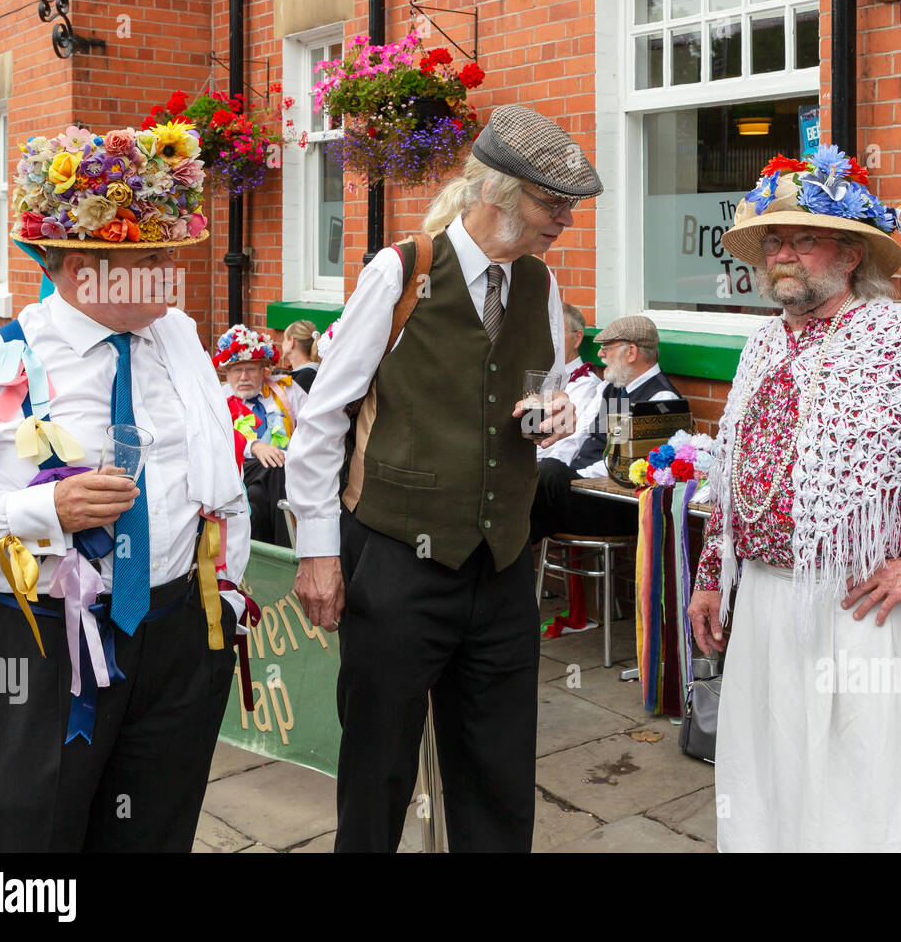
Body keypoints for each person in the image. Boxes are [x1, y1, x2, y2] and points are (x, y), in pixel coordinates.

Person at [686, 148, 901, 852]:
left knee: (863, 780)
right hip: (761, 600)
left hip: (855, 605)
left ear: (849, 255)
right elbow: (733, 477)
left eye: (803, 239)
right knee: (765, 768)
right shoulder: (761, 345)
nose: (783, 255)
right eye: (774, 241)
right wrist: (708, 577)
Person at [0, 122, 250, 852]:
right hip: (35, 644)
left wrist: (222, 605)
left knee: (155, 835)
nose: (175, 272)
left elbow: (220, 485)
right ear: (80, 265)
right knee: (27, 852)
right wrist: (40, 509)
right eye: (154, 258)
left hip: (176, 640)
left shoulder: (182, 341)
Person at [285, 104, 592, 853]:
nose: (565, 222)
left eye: (569, 206)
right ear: (497, 192)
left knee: (498, 776)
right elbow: (322, 417)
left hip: (503, 567)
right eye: (554, 203)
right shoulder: (402, 270)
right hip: (395, 562)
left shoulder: (541, 289)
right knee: (378, 769)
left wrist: (554, 415)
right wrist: (317, 552)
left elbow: (539, 395)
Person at [530, 313, 679, 542]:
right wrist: (558, 466)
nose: (600, 354)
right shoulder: (614, 388)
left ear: (631, 352)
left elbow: (624, 467)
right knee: (533, 473)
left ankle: (502, 561)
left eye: (607, 347)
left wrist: (574, 477)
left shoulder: (660, 399)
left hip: (615, 502)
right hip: (582, 489)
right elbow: (581, 436)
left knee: (545, 477)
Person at [215, 325, 307, 547]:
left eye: (251, 369)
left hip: (285, 471)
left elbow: (312, 425)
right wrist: (255, 447)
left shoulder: (288, 390)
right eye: (237, 370)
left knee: (258, 495)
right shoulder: (218, 399)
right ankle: (287, 549)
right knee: (275, 468)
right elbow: (217, 441)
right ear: (227, 372)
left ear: (264, 369)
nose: (244, 377)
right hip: (237, 471)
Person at [536, 302, 604, 465]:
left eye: (557, 331)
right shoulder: (538, 376)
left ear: (577, 338)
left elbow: (567, 442)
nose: (549, 338)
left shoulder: (586, 383)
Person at [281, 319, 322, 393]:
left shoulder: (304, 378)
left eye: (284, 339)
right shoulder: (312, 372)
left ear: (291, 342)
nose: (282, 342)